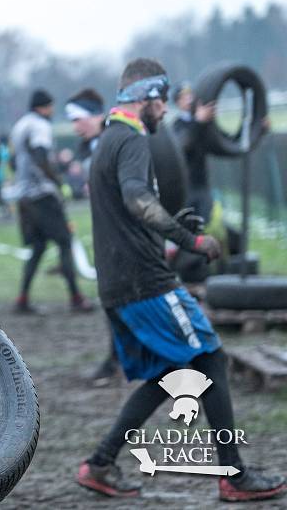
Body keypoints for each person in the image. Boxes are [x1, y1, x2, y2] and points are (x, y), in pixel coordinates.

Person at [76, 58, 285, 502]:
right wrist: (189, 238)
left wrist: (168, 223)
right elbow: (137, 199)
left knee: (168, 370)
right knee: (210, 357)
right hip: (147, 283)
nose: (167, 109)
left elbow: (134, 207)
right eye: (163, 99)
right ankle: (234, 475)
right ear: (146, 97)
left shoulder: (107, 141)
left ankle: (99, 464)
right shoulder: (131, 140)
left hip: (119, 285)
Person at [10, 89, 93, 314]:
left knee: (37, 247)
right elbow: (40, 155)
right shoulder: (40, 126)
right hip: (42, 195)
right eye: (51, 107)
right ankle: (76, 298)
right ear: (43, 107)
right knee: (65, 242)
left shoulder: (20, 126)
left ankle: (22, 298)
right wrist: (56, 181)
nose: (52, 111)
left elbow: (13, 161)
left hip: (24, 196)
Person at [65, 88, 121, 386]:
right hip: (104, 230)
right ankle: (116, 359)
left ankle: (122, 359)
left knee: (124, 297)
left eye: (79, 119)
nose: (75, 126)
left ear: (97, 115)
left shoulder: (117, 140)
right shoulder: (86, 147)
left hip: (123, 232)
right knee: (111, 296)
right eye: (72, 121)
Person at [171, 82, 219, 222]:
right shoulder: (177, 125)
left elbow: (224, 143)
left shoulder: (204, 124)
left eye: (190, 95)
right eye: (184, 97)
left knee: (205, 224)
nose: (189, 99)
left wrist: (258, 129)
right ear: (178, 102)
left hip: (203, 185)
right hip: (186, 188)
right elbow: (184, 145)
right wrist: (197, 121)